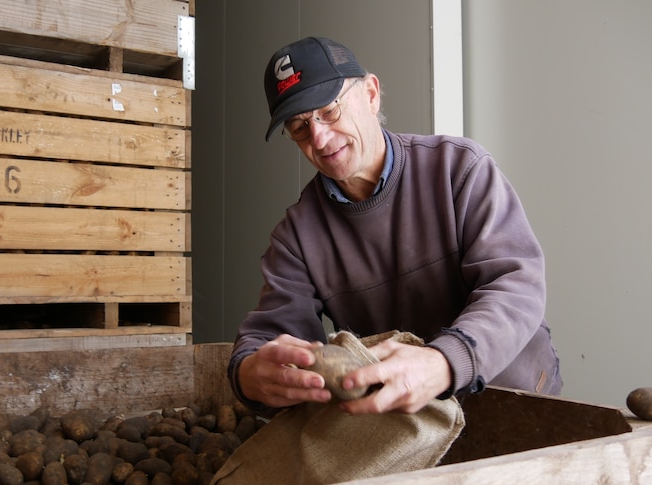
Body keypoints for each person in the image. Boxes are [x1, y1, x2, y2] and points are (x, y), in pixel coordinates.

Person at [228, 36, 562, 416]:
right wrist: (248, 374)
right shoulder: (297, 237)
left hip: (517, 403)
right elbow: (269, 335)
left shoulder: (459, 169)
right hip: (409, 428)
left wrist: (444, 361)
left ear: (371, 94)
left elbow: (516, 285)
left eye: (329, 111)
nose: (318, 138)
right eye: (300, 127)